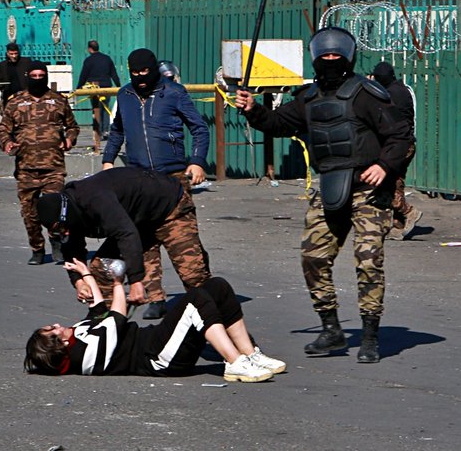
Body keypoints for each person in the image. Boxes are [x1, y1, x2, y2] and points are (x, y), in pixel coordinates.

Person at [233, 26, 411, 364]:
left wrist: (385, 166)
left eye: (336, 55)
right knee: (313, 258)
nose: (330, 60)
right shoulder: (309, 97)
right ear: (316, 58)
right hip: (329, 186)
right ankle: (331, 328)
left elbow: (400, 135)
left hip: (368, 191)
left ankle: (370, 335)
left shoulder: (365, 94)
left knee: (368, 260)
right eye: (325, 55)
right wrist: (252, 109)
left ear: (347, 57)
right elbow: (277, 123)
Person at [24, 259, 284, 382]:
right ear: (59, 345)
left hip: (157, 339)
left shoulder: (79, 334)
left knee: (217, 287)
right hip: (159, 358)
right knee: (195, 301)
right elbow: (116, 316)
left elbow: (98, 310)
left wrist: (86, 274)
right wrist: (117, 282)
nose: (57, 326)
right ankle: (234, 362)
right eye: (53, 331)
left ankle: (251, 355)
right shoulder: (85, 356)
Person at [102, 48, 210, 319]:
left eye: (144, 72)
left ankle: (203, 297)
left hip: (171, 178)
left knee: (184, 242)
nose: (140, 77)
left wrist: (197, 161)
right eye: (134, 72)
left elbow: (199, 128)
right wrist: (107, 162)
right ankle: (156, 297)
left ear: (153, 70)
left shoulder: (173, 92)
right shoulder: (125, 95)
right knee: (145, 240)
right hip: (140, 180)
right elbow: (117, 131)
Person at [36, 167, 212, 314]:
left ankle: (219, 324)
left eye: (61, 227)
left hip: (170, 208)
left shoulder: (95, 199)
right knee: (101, 270)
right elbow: (72, 248)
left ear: (66, 214)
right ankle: (106, 328)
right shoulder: (67, 216)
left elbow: (126, 235)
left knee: (193, 274)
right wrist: (79, 281)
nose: (63, 232)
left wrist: (136, 281)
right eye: (56, 231)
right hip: (136, 220)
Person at [0, 60, 79, 266]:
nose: (37, 79)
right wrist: (7, 143)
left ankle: (57, 243)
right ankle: (37, 249)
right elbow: (3, 130)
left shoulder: (58, 101)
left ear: (46, 76)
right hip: (26, 168)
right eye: (33, 76)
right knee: (30, 213)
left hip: (53, 167)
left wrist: (69, 139)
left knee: (56, 210)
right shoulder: (16, 102)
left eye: (41, 76)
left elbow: (72, 126)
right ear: (27, 77)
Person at [370, 61, 421, 240]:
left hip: (399, 145)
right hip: (405, 143)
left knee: (387, 184)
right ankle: (397, 225)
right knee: (395, 181)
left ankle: (408, 211)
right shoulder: (399, 89)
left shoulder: (391, 93)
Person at [76, 40, 121, 137]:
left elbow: (83, 75)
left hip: (94, 88)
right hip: (106, 87)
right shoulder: (107, 59)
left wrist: (78, 88)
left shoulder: (88, 60)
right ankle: (106, 130)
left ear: (89, 49)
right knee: (105, 108)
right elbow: (114, 74)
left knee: (96, 108)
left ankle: (98, 131)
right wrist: (118, 86)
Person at [0, 43, 33, 113]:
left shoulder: (26, 62)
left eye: (16, 53)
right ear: (7, 53)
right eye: (11, 54)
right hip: (9, 97)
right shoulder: (3, 65)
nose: (14, 56)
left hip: (24, 97)